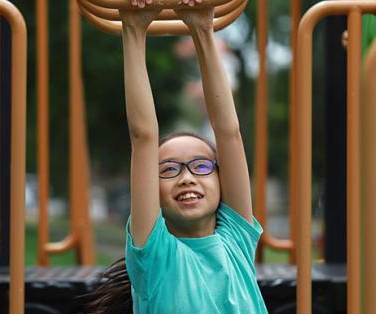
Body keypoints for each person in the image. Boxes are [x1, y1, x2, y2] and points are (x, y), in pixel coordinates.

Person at [87, 2, 267, 313]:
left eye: (201, 166)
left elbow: (228, 133)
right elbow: (143, 137)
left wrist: (202, 29)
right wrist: (133, 27)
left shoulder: (237, 242)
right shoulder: (155, 255)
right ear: (151, 191)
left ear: (221, 179)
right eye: (169, 169)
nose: (187, 177)